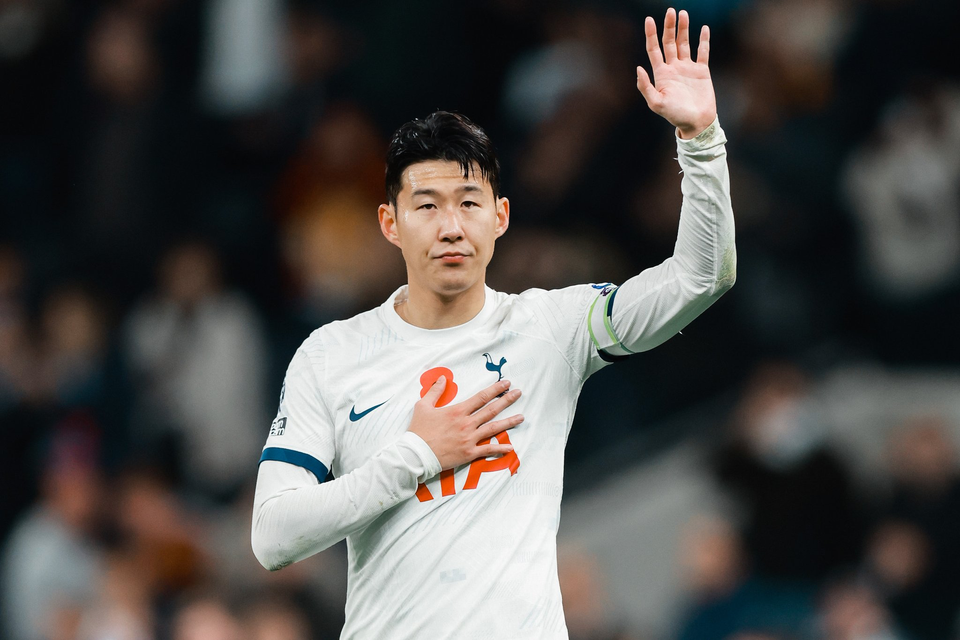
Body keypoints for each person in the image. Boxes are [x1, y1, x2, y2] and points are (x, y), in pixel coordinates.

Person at [252, 9, 735, 639]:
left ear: (500, 218)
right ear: (390, 224)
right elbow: (272, 536)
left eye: (470, 203)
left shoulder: (552, 326)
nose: (452, 226)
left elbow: (701, 277)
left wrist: (701, 142)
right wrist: (417, 454)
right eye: (426, 205)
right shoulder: (333, 353)